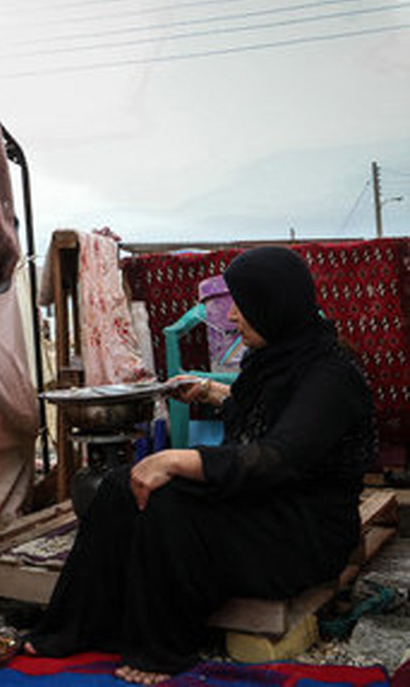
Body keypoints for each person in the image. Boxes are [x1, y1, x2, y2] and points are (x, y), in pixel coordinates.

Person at [25, 246, 375, 684]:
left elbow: (278, 456)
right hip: (261, 500)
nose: (232, 317)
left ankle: (161, 650)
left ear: (274, 306)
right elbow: (267, 415)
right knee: (119, 487)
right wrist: (213, 392)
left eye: (243, 306)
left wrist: (175, 459)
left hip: (302, 529)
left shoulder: (332, 376)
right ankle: (78, 627)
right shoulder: (276, 358)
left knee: (171, 508)